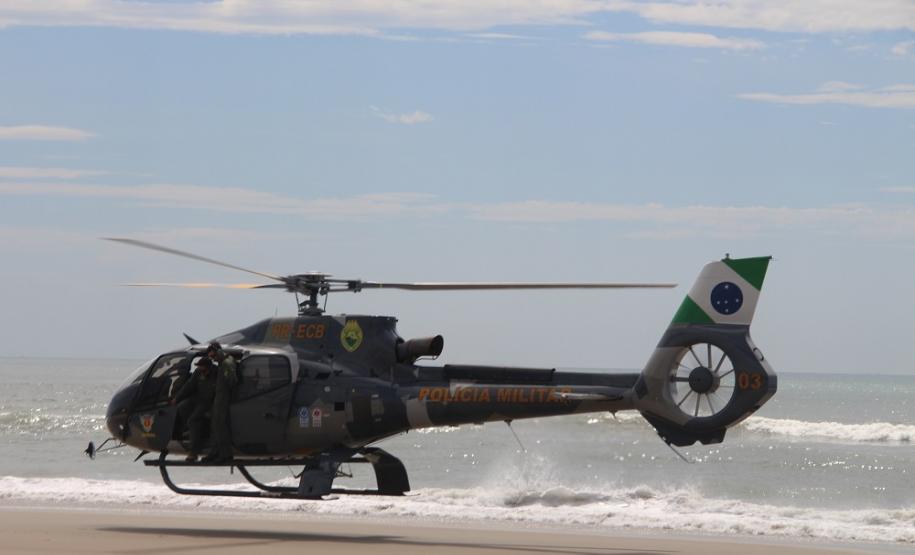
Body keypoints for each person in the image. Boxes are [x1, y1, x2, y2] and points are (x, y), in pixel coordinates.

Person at [172, 357, 217, 462]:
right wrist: (177, 398)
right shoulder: (198, 372)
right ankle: (188, 431)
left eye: (202, 367)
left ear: (208, 367)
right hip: (198, 399)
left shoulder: (216, 373)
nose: (200, 369)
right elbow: (189, 386)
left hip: (209, 402)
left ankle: (193, 452)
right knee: (182, 407)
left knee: (193, 420)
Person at [203, 342, 236, 463]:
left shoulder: (227, 363)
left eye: (214, 356)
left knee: (220, 426)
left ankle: (225, 454)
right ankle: (215, 452)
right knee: (215, 426)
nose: (213, 359)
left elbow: (232, 381)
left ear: (219, 352)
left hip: (223, 398)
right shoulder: (224, 363)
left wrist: (226, 393)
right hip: (220, 397)